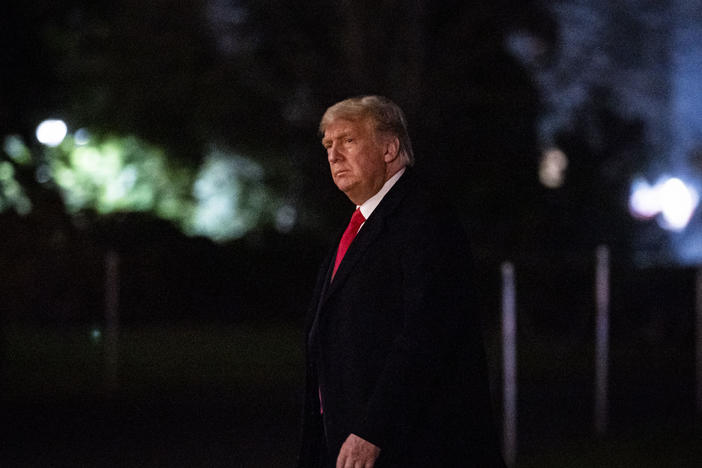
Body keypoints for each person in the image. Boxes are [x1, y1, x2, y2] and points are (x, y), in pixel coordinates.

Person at [298, 95, 505, 468]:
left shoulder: (425, 218)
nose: (333, 155)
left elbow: (427, 333)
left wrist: (373, 430)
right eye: (328, 144)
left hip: (413, 446)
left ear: (390, 148)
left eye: (347, 140)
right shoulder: (357, 227)